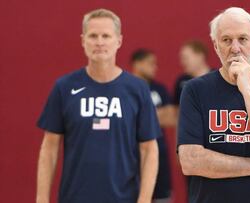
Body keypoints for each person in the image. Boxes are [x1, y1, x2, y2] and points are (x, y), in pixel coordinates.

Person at [36, 9, 160, 203]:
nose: (99, 42)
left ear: (118, 41)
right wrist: (41, 199)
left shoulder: (137, 89)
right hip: (74, 198)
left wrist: (144, 200)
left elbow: (149, 149)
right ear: (83, 40)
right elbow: (49, 147)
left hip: (124, 198)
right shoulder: (64, 87)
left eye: (106, 36)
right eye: (93, 36)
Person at [177, 7, 250, 203]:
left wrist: (247, 90)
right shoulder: (194, 90)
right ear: (216, 46)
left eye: (242, 39)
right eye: (226, 40)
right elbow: (191, 161)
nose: (235, 48)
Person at [131, 48, 174, 202]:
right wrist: (157, 114)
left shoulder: (159, 88)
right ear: (137, 64)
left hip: (159, 152)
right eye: (150, 63)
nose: (154, 67)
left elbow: (171, 118)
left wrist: (139, 115)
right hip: (131, 155)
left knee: (162, 197)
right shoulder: (125, 87)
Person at [173, 40, 212, 107]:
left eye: (185, 58)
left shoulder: (218, 78)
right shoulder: (181, 81)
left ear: (200, 56)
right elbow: (176, 108)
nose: (182, 62)